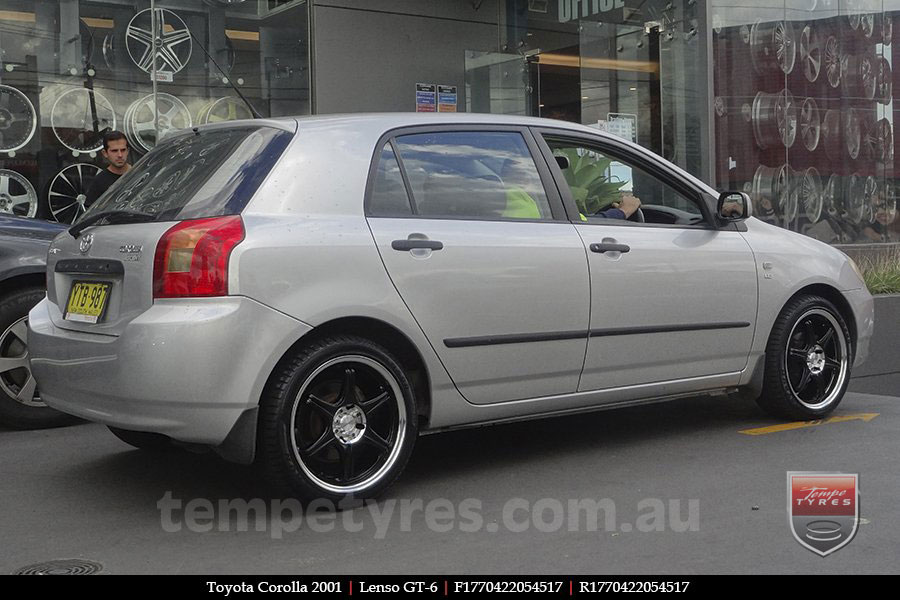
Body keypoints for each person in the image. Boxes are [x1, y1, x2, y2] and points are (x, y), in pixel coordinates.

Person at [85, 131, 131, 207]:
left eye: (123, 150)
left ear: (128, 151)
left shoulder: (140, 174)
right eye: (114, 151)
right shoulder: (99, 182)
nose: (120, 155)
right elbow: (91, 213)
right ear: (105, 153)